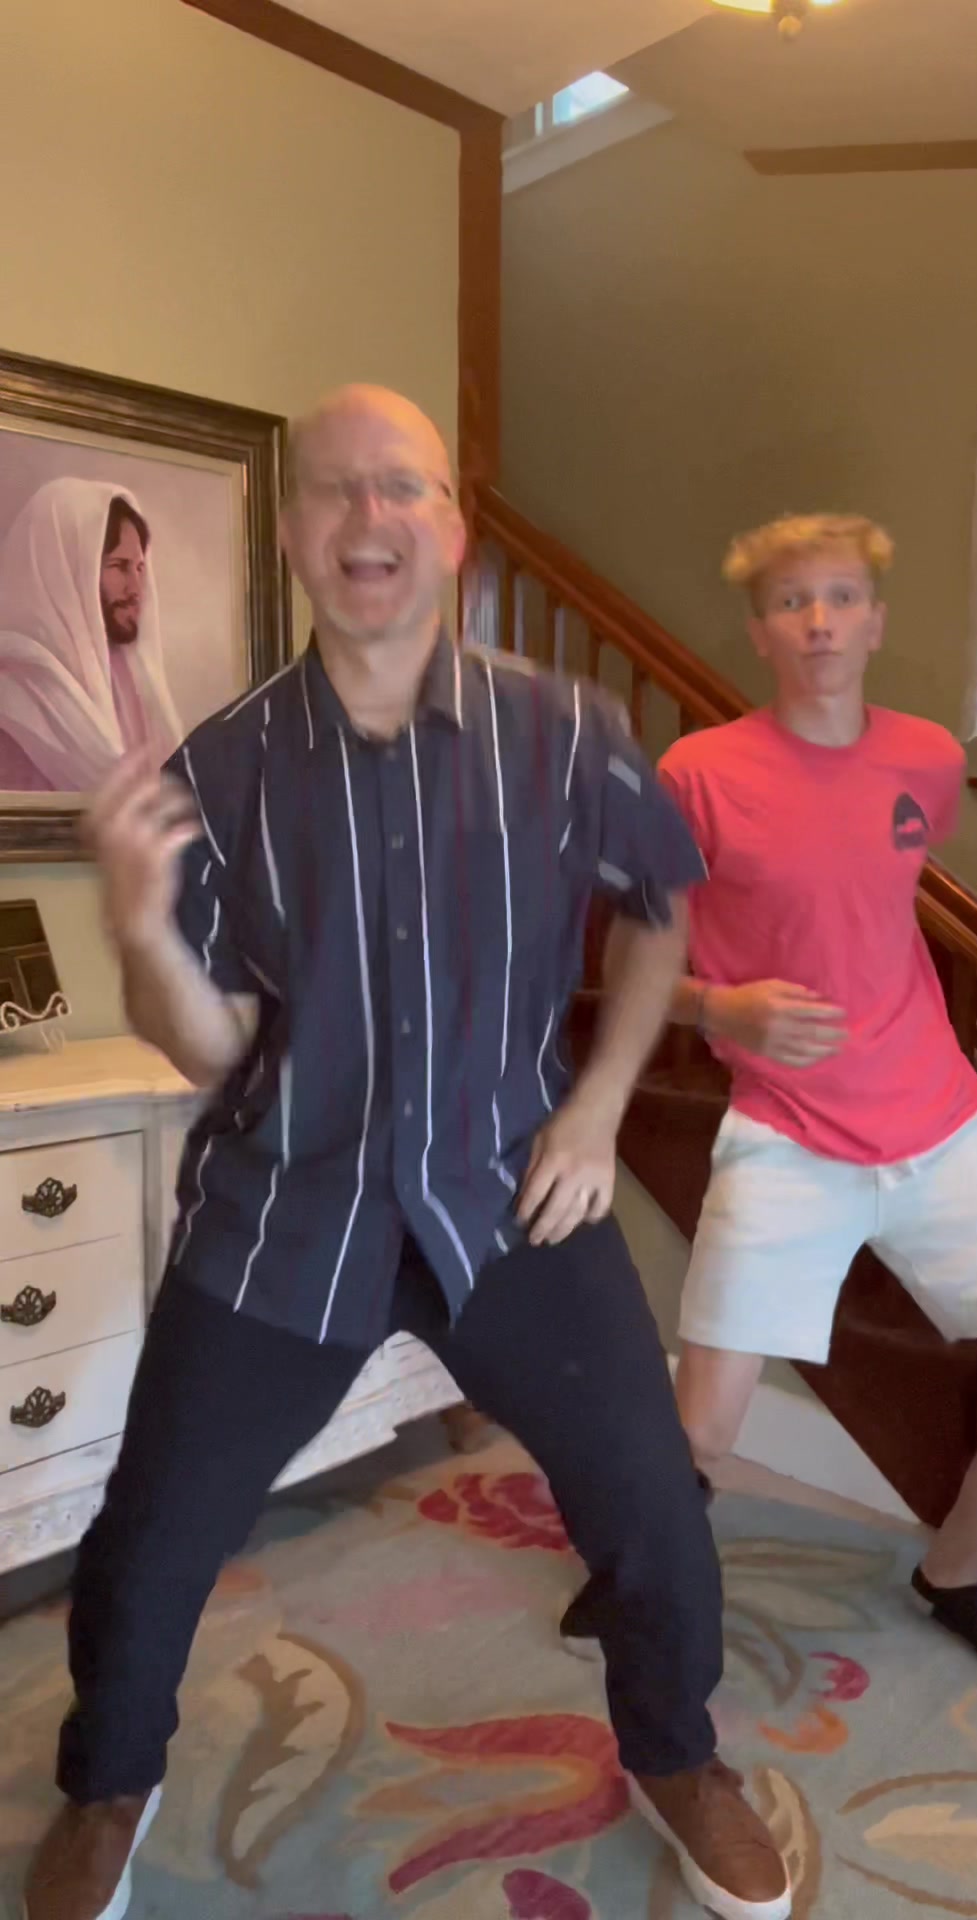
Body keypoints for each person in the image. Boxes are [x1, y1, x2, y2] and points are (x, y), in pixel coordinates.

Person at [23, 389, 793, 1920]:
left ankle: (679, 1752)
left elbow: (659, 911)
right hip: (284, 1208)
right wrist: (135, 929)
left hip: (514, 1199)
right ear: (293, 531)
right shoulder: (221, 768)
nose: (368, 520)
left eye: (402, 489)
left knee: (653, 1508)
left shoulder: (566, 731)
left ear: (449, 528)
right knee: (149, 1541)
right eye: (334, 492)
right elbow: (208, 1046)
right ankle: (109, 1780)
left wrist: (598, 1108)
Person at [563, 513, 977, 1688]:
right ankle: (643, 1567)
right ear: (761, 630)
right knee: (702, 1428)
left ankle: (950, 1577)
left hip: (940, 1129)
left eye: (842, 597)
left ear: (875, 620)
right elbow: (630, 955)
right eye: (793, 601)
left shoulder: (926, 762)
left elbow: (875, 902)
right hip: (786, 1139)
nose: (820, 621)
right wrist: (722, 1008)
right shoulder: (698, 776)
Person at [0, 477, 182, 793]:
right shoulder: (12, 698)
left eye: (139, 568)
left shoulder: (129, 682)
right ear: (66, 569)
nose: (136, 589)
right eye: (119, 566)